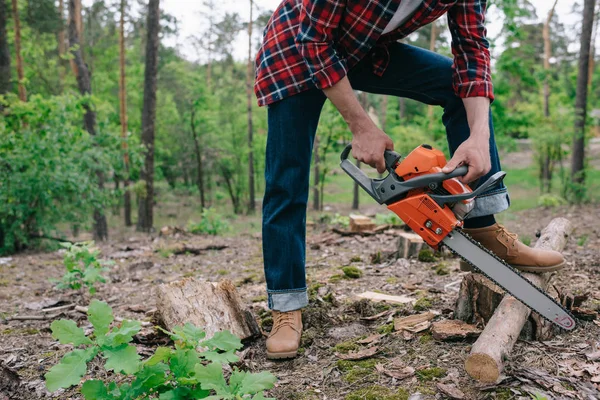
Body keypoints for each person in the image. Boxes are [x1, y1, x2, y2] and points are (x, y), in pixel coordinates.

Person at [253, 0, 565, 360]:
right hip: (296, 48)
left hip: (364, 46)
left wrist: (478, 135)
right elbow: (314, 42)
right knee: (286, 181)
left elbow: (472, 50)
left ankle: (484, 228)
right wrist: (362, 126)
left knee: (455, 86)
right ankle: (286, 304)